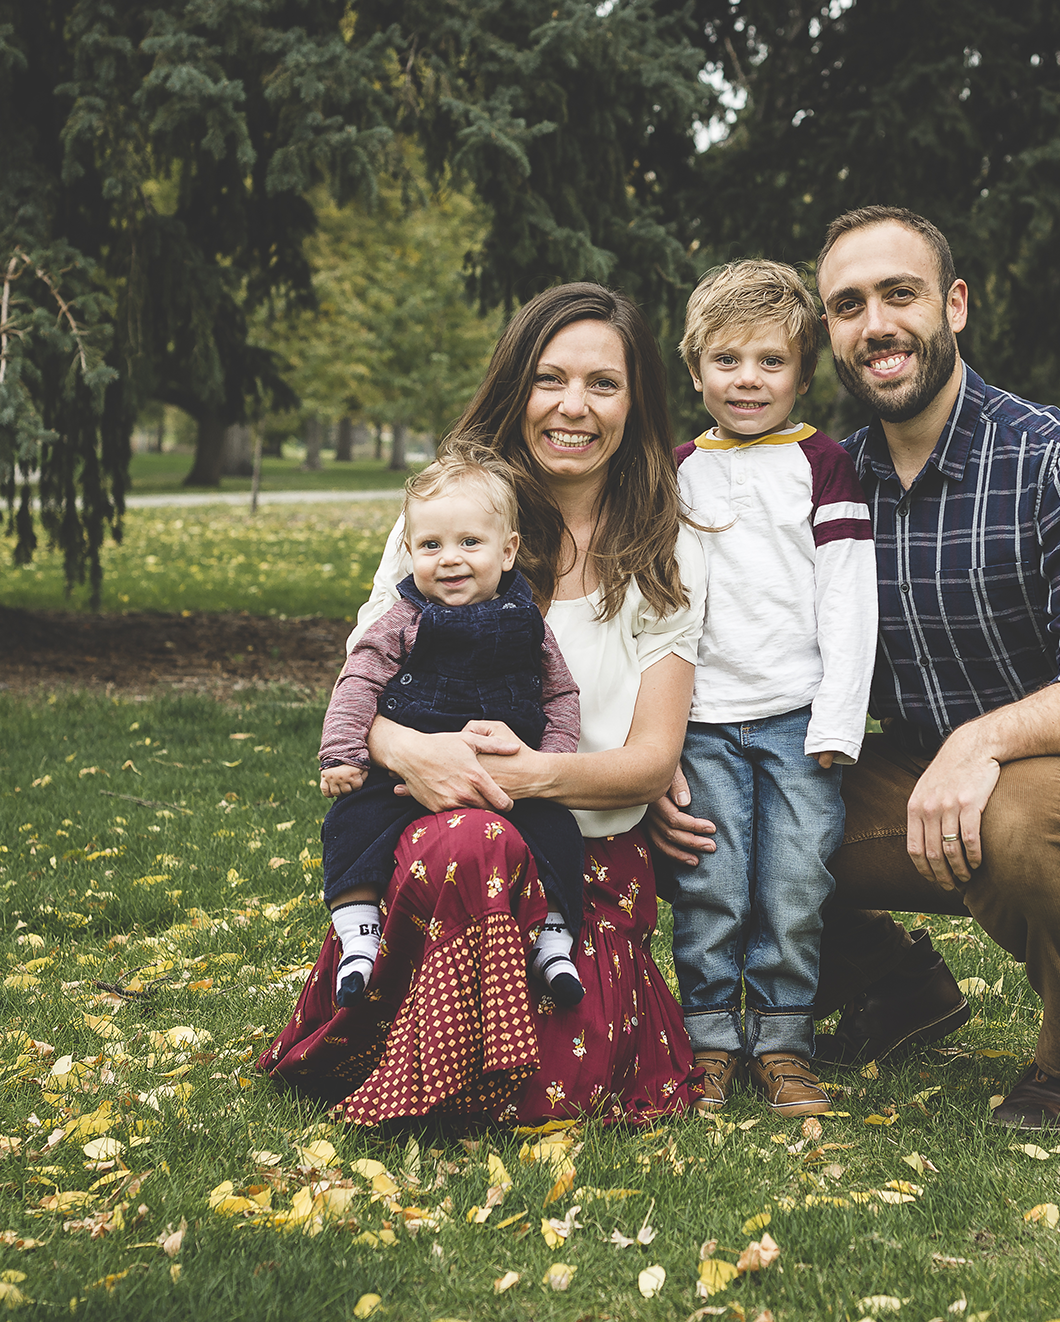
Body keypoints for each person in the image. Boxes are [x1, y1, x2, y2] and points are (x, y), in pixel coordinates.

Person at [651, 207, 1060, 1130]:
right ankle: (897, 989)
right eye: (849, 305)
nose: (877, 324)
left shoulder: (1059, 456)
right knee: (710, 814)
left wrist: (980, 747)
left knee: (1022, 811)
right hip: (910, 777)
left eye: (899, 294)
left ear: (954, 305)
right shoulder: (830, 473)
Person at [260, 282, 706, 1127]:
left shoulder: (663, 546)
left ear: (635, 399)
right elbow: (361, 680)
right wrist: (409, 752)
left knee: (555, 1086)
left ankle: (523, 1000)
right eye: (549, 379)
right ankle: (398, 1022)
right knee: (467, 839)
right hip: (434, 853)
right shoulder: (441, 523)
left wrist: (532, 776)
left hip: (572, 863)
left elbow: (651, 759)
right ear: (516, 387)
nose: (573, 407)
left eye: (603, 384)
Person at [668, 260, 877, 1117]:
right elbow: (663, 597)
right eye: (726, 361)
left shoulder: (822, 465)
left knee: (793, 885)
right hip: (703, 720)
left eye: (769, 363)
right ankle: (710, 1039)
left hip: (799, 719)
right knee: (710, 885)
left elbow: (848, 593)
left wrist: (838, 715)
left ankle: (785, 1043)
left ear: (801, 372)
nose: (746, 380)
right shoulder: (677, 469)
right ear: (696, 370)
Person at [314, 453, 588, 1011]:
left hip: (508, 781)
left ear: (507, 549)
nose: (449, 560)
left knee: (558, 832)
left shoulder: (528, 621)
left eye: (470, 543)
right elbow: (358, 679)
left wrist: (549, 760)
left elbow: (560, 694)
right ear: (409, 552)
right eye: (431, 546)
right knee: (352, 823)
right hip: (404, 777)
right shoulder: (403, 619)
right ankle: (360, 931)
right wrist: (342, 754)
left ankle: (553, 938)